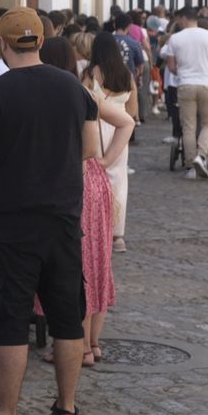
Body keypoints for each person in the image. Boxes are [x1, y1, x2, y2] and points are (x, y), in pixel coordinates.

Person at [0, 9, 129, 415]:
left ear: (2, 44)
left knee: (11, 319)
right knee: (67, 319)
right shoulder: (74, 87)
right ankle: (67, 411)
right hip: (64, 219)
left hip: (14, 220)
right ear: (43, 39)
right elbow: (91, 147)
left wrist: (15, 151)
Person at [43, 37, 117, 369]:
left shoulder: (45, 94)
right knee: (97, 260)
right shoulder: (82, 92)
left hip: (69, 181)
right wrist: (107, 160)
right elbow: (127, 122)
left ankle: (77, 346)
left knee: (76, 265)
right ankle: (92, 343)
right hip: (94, 182)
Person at [83, 33, 138, 256]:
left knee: (95, 178)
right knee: (118, 180)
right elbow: (133, 111)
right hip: (119, 129)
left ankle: (96, 226)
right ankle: (117, 235)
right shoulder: (126, 75)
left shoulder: (90, 73)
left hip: (96, 128)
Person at [161, 9, 208, 180]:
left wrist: (182, 72)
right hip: (206, 84)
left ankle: (191, 166)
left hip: (185, 85)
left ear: (184, 18)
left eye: (178, 20)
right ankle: (202, 155)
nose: (178, 23)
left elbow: (171, 66)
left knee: (188, 127)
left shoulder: (175, 38)